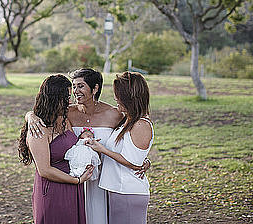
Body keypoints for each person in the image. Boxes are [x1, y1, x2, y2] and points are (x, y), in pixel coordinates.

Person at [26, 68, 150, 224]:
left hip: (104, 179)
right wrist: (30, 116)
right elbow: (44, 111)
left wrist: (143, 160)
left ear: (95, 88)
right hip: (73, 179)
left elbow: (131, 138)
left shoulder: (114, 114)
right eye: (74, 86)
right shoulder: (66, 112)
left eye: (81, 86)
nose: (75, 92)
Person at [18, 74, 94, 224]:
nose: (70, 101)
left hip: (73, 187)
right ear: (53, 99)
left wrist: (29, 114)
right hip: (54, 189)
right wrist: (77, 180)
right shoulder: (38, 130)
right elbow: (44, 170)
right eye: (65, 97)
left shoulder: (64, 118)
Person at [85, 71, 154, 224]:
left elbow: (135, 163)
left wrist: (102, 149)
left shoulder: (141, 124)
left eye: (118, 94)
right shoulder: (127, 121)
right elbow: (137, 154)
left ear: (129, 97)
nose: (115, 98)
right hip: (118, 190)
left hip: (128, 192)